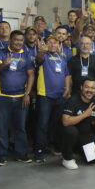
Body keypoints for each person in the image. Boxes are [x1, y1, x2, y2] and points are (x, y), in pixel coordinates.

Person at [0, 29, 35, 165]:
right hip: (3, 96)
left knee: (20, 127)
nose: (18, 42)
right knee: (3, 127)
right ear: (10, 40)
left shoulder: (26, 54)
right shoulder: (1, 52)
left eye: (21, 40)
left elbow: (30, 75)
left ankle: (21, 153)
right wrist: (4, 63)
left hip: (21, 96)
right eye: (16, 40)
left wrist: (27, 94)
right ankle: (2, 155)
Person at [34, 35, 71, 163]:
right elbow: (38, 60)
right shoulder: (43, 56)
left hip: (60, 96)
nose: (52, 45)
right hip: (45, 96)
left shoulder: (62, 58)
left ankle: (56, 147)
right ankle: (39, 151)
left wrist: (67, 88)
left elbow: (67, 74)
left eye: (55, 43)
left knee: (57, 124)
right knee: (42, 124)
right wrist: (41, 51)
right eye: (49, 42)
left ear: (59, 45)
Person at [61, 78, 95, 169]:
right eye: (87, 87)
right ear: (81, 88)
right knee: (71, 131)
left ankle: (78, 150)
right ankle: (67, 158)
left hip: (85, 134)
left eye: (93, 88)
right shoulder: (73, 100)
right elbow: (65, 122)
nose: (89, 90)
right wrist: (84, 115)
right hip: (70, 131)